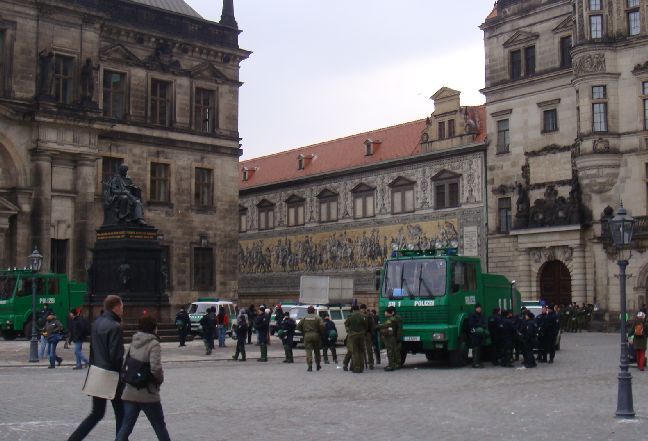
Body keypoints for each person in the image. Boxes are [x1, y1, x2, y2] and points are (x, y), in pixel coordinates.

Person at [67, 295, 126, 441]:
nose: (123, 310)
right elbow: (116, 356)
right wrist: (122, 375)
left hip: (97, 372)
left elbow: (93, 351)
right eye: (122, 307)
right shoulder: (115, 327)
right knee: (121, 413)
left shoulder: (97, 323)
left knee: (97, 413)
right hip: (111, 376)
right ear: (116, 307)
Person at [116, 315, 171, 441]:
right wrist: (159, 380)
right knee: (159, 426)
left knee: (125, 427)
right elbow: (155, 368)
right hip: (148, 393)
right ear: (154, 328)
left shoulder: (133, 341)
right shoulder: (154, 344)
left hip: (130, 391)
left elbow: (126, 363)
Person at [296, 306, 325, 371]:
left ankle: (310, 366)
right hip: (316, 335)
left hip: (307, 335)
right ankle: (318, 365)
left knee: (308, 351)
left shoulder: (304, 318)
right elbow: (322, 326)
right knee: (317, 351)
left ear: (308, 311)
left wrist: (304, 331)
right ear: (314, 311)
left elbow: (298, 327)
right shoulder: (318, 317)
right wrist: (320, 332)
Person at [343, 304, 367, 373]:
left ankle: (357, 367)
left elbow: (346, 324)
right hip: (361, 335)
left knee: (355, 351)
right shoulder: (363, 316)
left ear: (353, 309)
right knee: (361, 351)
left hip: (353, 335)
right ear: (359, 309)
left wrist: (348, 331)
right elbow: (366, 325)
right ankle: (361, 367)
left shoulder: (350, 316)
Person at [377, 306, 399, 371]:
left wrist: (377, 327)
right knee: (390, 351)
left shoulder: (392, 319)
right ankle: (391, 364)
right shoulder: (390, 319)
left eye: (385, 312)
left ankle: (391, 365)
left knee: (390, 351)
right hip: (389, 337)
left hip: (390, 337)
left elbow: (385, 325)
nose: (385, 313)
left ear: (389, 313)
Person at [468, 303, 487, 368]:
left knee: (479, 348)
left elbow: (484, 322)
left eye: (480, 308)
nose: (480, 309)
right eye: (479, 308)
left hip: (480, 334)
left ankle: (478, 362)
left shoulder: (481, 315)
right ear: (476, 308)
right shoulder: (472, 315)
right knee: (475, 349)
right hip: (474, 334)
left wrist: (483, 326)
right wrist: (480, 325)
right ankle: (475, 363)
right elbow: (471, 324)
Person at [360, 304, 375, 370]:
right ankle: (363, 362)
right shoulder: (359, 315)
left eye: (364, 309)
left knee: (369, 349)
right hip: (362, 334)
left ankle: (371, 363)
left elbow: (372, 325)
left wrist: (372, 334)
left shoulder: (369, 315)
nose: (363, 310)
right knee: (362, 349)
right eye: (362, 309)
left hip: (367, 333)